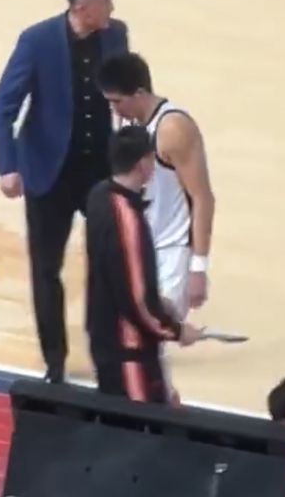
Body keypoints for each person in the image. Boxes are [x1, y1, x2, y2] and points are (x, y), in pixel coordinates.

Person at [0, 0, 129, 383]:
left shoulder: (117, 35)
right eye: (106, 1)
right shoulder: (37, 41)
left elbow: (128, 91)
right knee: (46, 268)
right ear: (82, 8)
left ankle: (107, 353)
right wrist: (8, 166)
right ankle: (55, 362)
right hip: (48, 171)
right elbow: (3, 105)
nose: (113, 7)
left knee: (109, 263)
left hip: (99, 170)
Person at [97, 53, 215, 403]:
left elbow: (203, 197)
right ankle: (165, 402)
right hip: (135, 248)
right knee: (137, 344)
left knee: (148, 341)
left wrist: (198, 267)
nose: (114, 109)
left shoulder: (173, 129)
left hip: (170, 252)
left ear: (138, 93)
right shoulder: (127, 125)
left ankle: (161, 406)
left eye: (117, 101)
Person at [85, 126, 201, 403]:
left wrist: (159, 303)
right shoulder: (128, 221)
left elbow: (118, 276)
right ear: (144, 164)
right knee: (140, 425)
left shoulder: (99, 195)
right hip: (129, 350)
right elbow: (137, 301)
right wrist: (176, 329)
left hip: (105, 335)